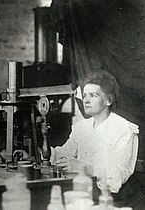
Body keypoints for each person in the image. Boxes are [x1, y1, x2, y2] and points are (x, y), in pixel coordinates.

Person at [50, 71, 140, 207]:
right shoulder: (81, 128)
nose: (86, 100)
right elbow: (63, 154)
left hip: (113, 199)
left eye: (93, 95)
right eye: (85, 95)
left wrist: (85, 168)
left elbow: (118, 176)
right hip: (82, 192)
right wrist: (39, 152)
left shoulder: (124, 129)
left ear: (108, 100)